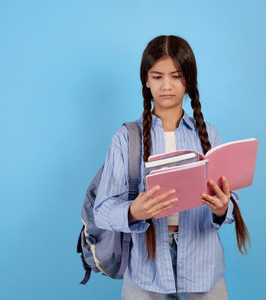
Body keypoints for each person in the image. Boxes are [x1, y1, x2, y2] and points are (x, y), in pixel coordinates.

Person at [94, 35, 250, 300]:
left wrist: (223, 208)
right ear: (146, 80)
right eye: (157, 77)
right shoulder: (125, 138)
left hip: (204, 270)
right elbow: (102, 211)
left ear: (188, 80)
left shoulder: (208, 135)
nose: (166, 86)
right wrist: (134, 211)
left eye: (176, 76)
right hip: (146, 272)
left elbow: (231, 200)